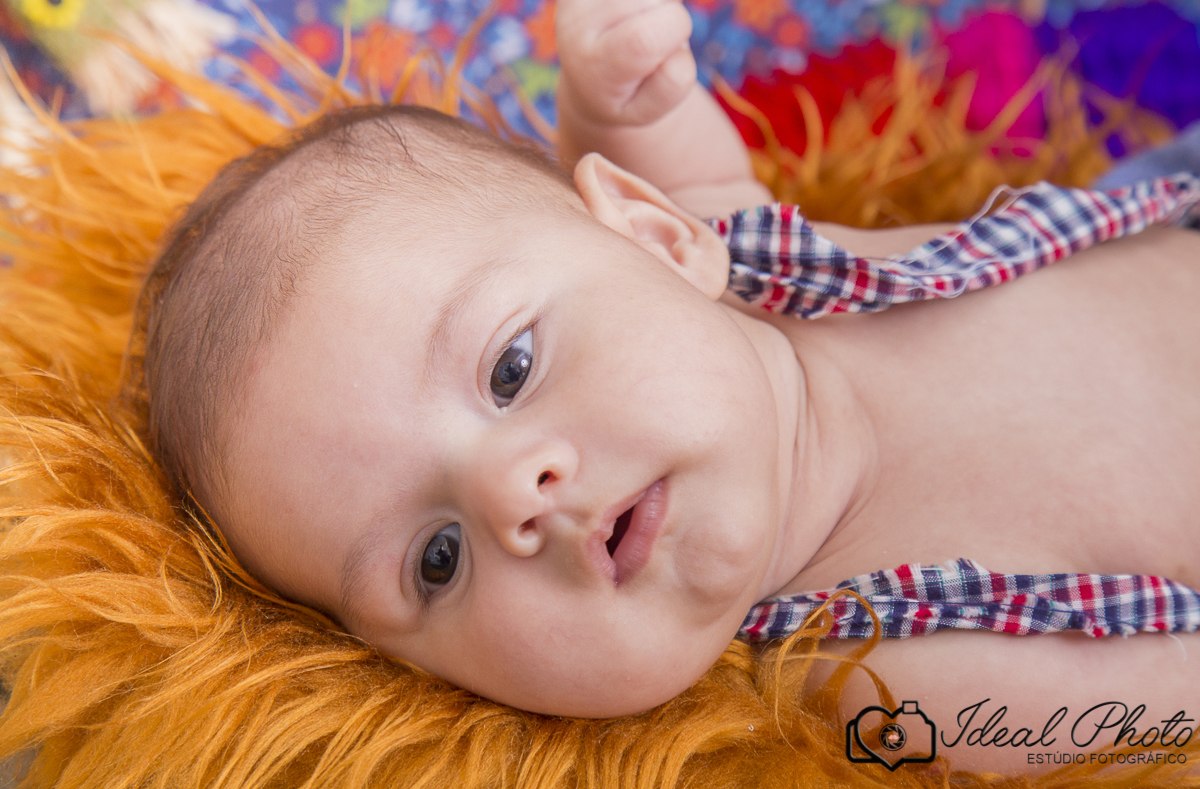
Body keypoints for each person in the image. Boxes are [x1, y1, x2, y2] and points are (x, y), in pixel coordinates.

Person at [133, 0, 1200, 774]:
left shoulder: (746, 265)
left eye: (512, 367)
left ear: (657, 238)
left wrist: (624, 95)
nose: (518, 493)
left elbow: (690, 185)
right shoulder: (896, 678)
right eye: (437, 558)